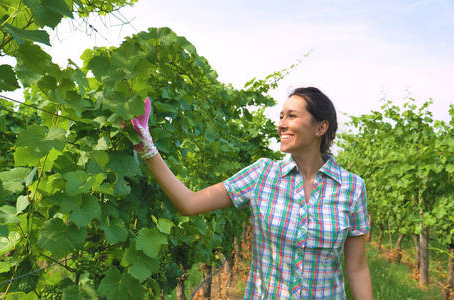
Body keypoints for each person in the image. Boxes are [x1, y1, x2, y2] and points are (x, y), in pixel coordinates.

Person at [131, 87, 373, 299]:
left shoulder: (351, 188)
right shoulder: (262, 174)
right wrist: (147, 147)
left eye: (291, 116)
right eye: (280, 117)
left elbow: (357, 267)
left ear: (321, 127)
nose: (281, 124)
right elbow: (190, 203)